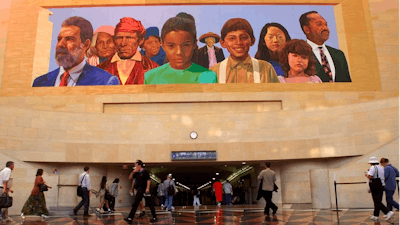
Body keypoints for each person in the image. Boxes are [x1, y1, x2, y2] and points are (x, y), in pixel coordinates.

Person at [32, 17, 120, 87]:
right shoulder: (40, 82)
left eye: (69, 39)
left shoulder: (106, 82)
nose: (61, 44)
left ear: (85, 44)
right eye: (59, 39)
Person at [144, 16, 217, 84]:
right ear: (162, 45)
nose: (179, 52)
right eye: (171, 46)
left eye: (185, 45)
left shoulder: (208, 77)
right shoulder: (151, 77)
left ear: (194, 44)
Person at [210, 18, 280, 83]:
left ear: (252, 41)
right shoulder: (215, 72)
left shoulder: (266, 69)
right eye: (232, 38)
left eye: (243, 37)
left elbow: (278, 95)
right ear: (223, 43)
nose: (238, 42)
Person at [98, 17, 159, 85]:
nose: (123, 43)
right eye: (119, 38)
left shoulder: (153, 69)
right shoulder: (100, 69)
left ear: (140, 40)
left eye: (129, 38)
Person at [299, 11, 351, 82]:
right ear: (306, 29)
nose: (325, 28)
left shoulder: (339, 54)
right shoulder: (299, 53)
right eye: (319, 24)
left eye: (326, 24)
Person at [365, 156, 394, 222]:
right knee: (378, 200)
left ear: (371, 163)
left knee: (377, 201)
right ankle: (376, 215)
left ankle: (388, 212)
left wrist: (366, 174)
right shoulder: (381, 168)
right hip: (381, 185)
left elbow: (370, 176)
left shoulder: (373, 167)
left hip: (375, 186)